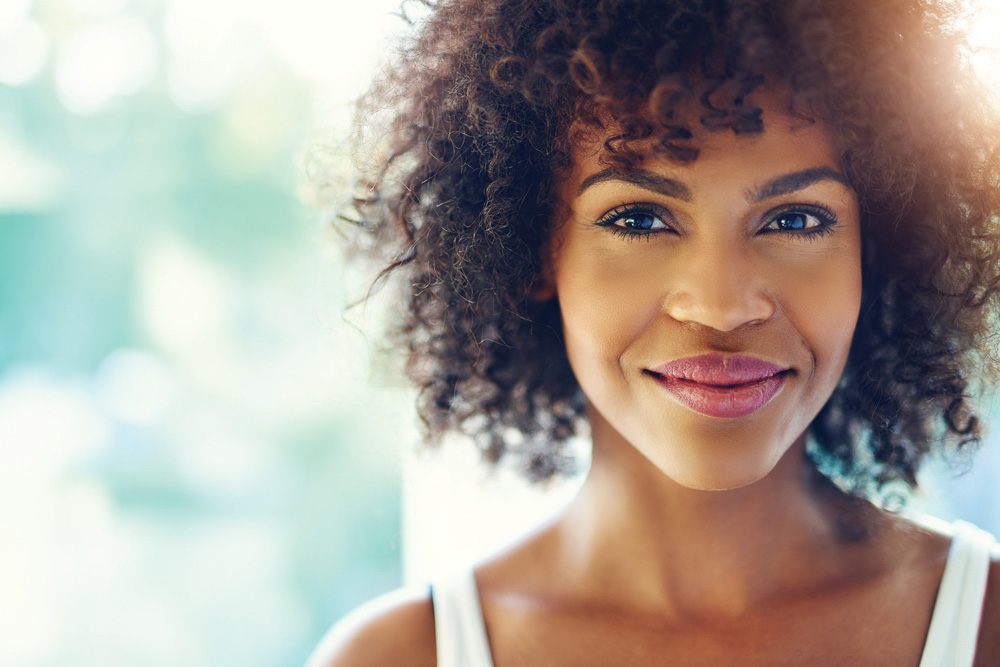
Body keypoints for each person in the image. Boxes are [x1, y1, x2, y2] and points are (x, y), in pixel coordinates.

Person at [310, 0, 1000, 664]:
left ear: (874, 247)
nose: (721, 307)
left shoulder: (986, 625)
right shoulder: (396, 659)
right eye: (639, 219)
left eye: (794, 220)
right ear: (532, 246)